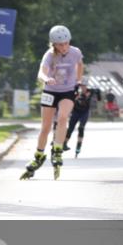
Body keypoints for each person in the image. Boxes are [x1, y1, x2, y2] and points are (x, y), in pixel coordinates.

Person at [20, 25, 84, 180]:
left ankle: (57, 149)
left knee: (62, 117)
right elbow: (41, 71)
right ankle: (39, 155)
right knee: (45, 127)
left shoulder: (75, 52)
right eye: (60, 44)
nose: (64, 47)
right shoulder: (49, 55)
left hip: (68, 91)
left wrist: (78, 81)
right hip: (50, 91)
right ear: (53, 44)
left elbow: (80, 65)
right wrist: (46, 78)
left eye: (66, 43)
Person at [64, 83, 93, 157]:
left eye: (85, 86)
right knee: (70, 129)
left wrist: (91, 94)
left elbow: (99, 98)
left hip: (84, 113)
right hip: (75, 112)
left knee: (81, 128)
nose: (83, 88)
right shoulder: (75, 92)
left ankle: (78, 146)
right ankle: (64, 144)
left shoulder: (90, 92)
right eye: (81, 86)